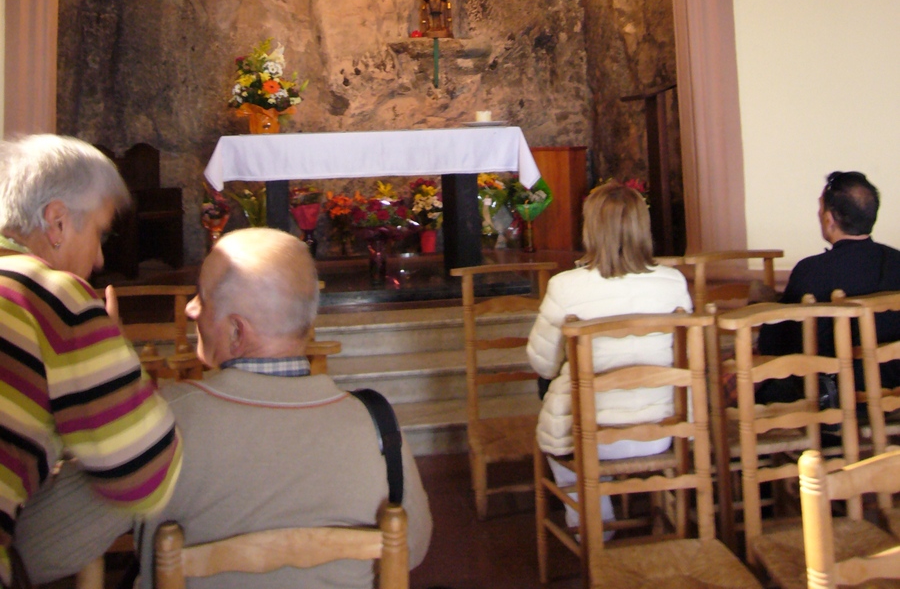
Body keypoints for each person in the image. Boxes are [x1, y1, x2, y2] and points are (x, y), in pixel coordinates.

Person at [16, 227, 432, 589]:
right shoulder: (376, 421)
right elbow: (412, 547)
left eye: (203, 297)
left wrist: (101, 385)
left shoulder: (162, 424)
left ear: (236, 331)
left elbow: (30, 549)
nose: (190, 308)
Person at [0, 134, 182, 586]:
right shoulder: (53, 294)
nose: (100, 258)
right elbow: (145, 472)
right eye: (99, 234)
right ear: (57, 222)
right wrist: (108, 347)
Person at [527, 181, 692, 529]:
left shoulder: (565, 286)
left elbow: (542, 363)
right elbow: (688, 356)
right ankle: (671, 520)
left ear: (590, 228)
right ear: (642, 226)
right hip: (664, 428)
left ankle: (594, 521)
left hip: (591, 437)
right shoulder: (673, 282)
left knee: (552, 402)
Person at [757, 171, 900, 390]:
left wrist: (763, 304)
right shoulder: (896, 260)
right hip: (893, 388)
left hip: (834, 394)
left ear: (829, 218)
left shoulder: (811, 270)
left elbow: (776, 346)